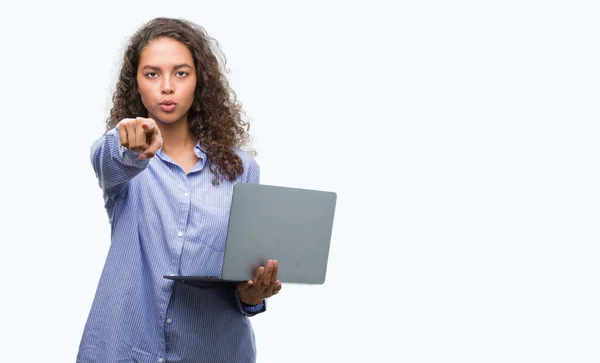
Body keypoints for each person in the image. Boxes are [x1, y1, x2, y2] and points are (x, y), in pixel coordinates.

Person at [77, 17, 282, 363]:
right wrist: (127, 138)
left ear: (199, 81)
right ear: (137, 85)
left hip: (212, 350)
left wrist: (252, 295)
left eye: (181, 73)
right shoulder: (124, 160)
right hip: (125, 348)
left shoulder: (242, 170)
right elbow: (105, 159)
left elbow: (245, 272)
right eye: (152, 73)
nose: (167, 87)